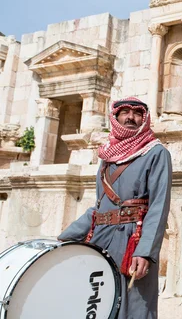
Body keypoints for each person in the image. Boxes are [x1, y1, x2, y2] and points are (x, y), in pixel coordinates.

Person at [59, 97, 172, 319]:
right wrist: (66, 237)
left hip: (133, 241)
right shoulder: (107, 157)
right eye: (125, 112)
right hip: (101, 239)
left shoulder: (156, 153)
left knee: (135, 308)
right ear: (116, 117)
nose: (131, 117)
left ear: (144, 119)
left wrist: (145, 251)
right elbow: (99, 207)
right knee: (98, 303)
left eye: (137, 113)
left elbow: (159, 206)